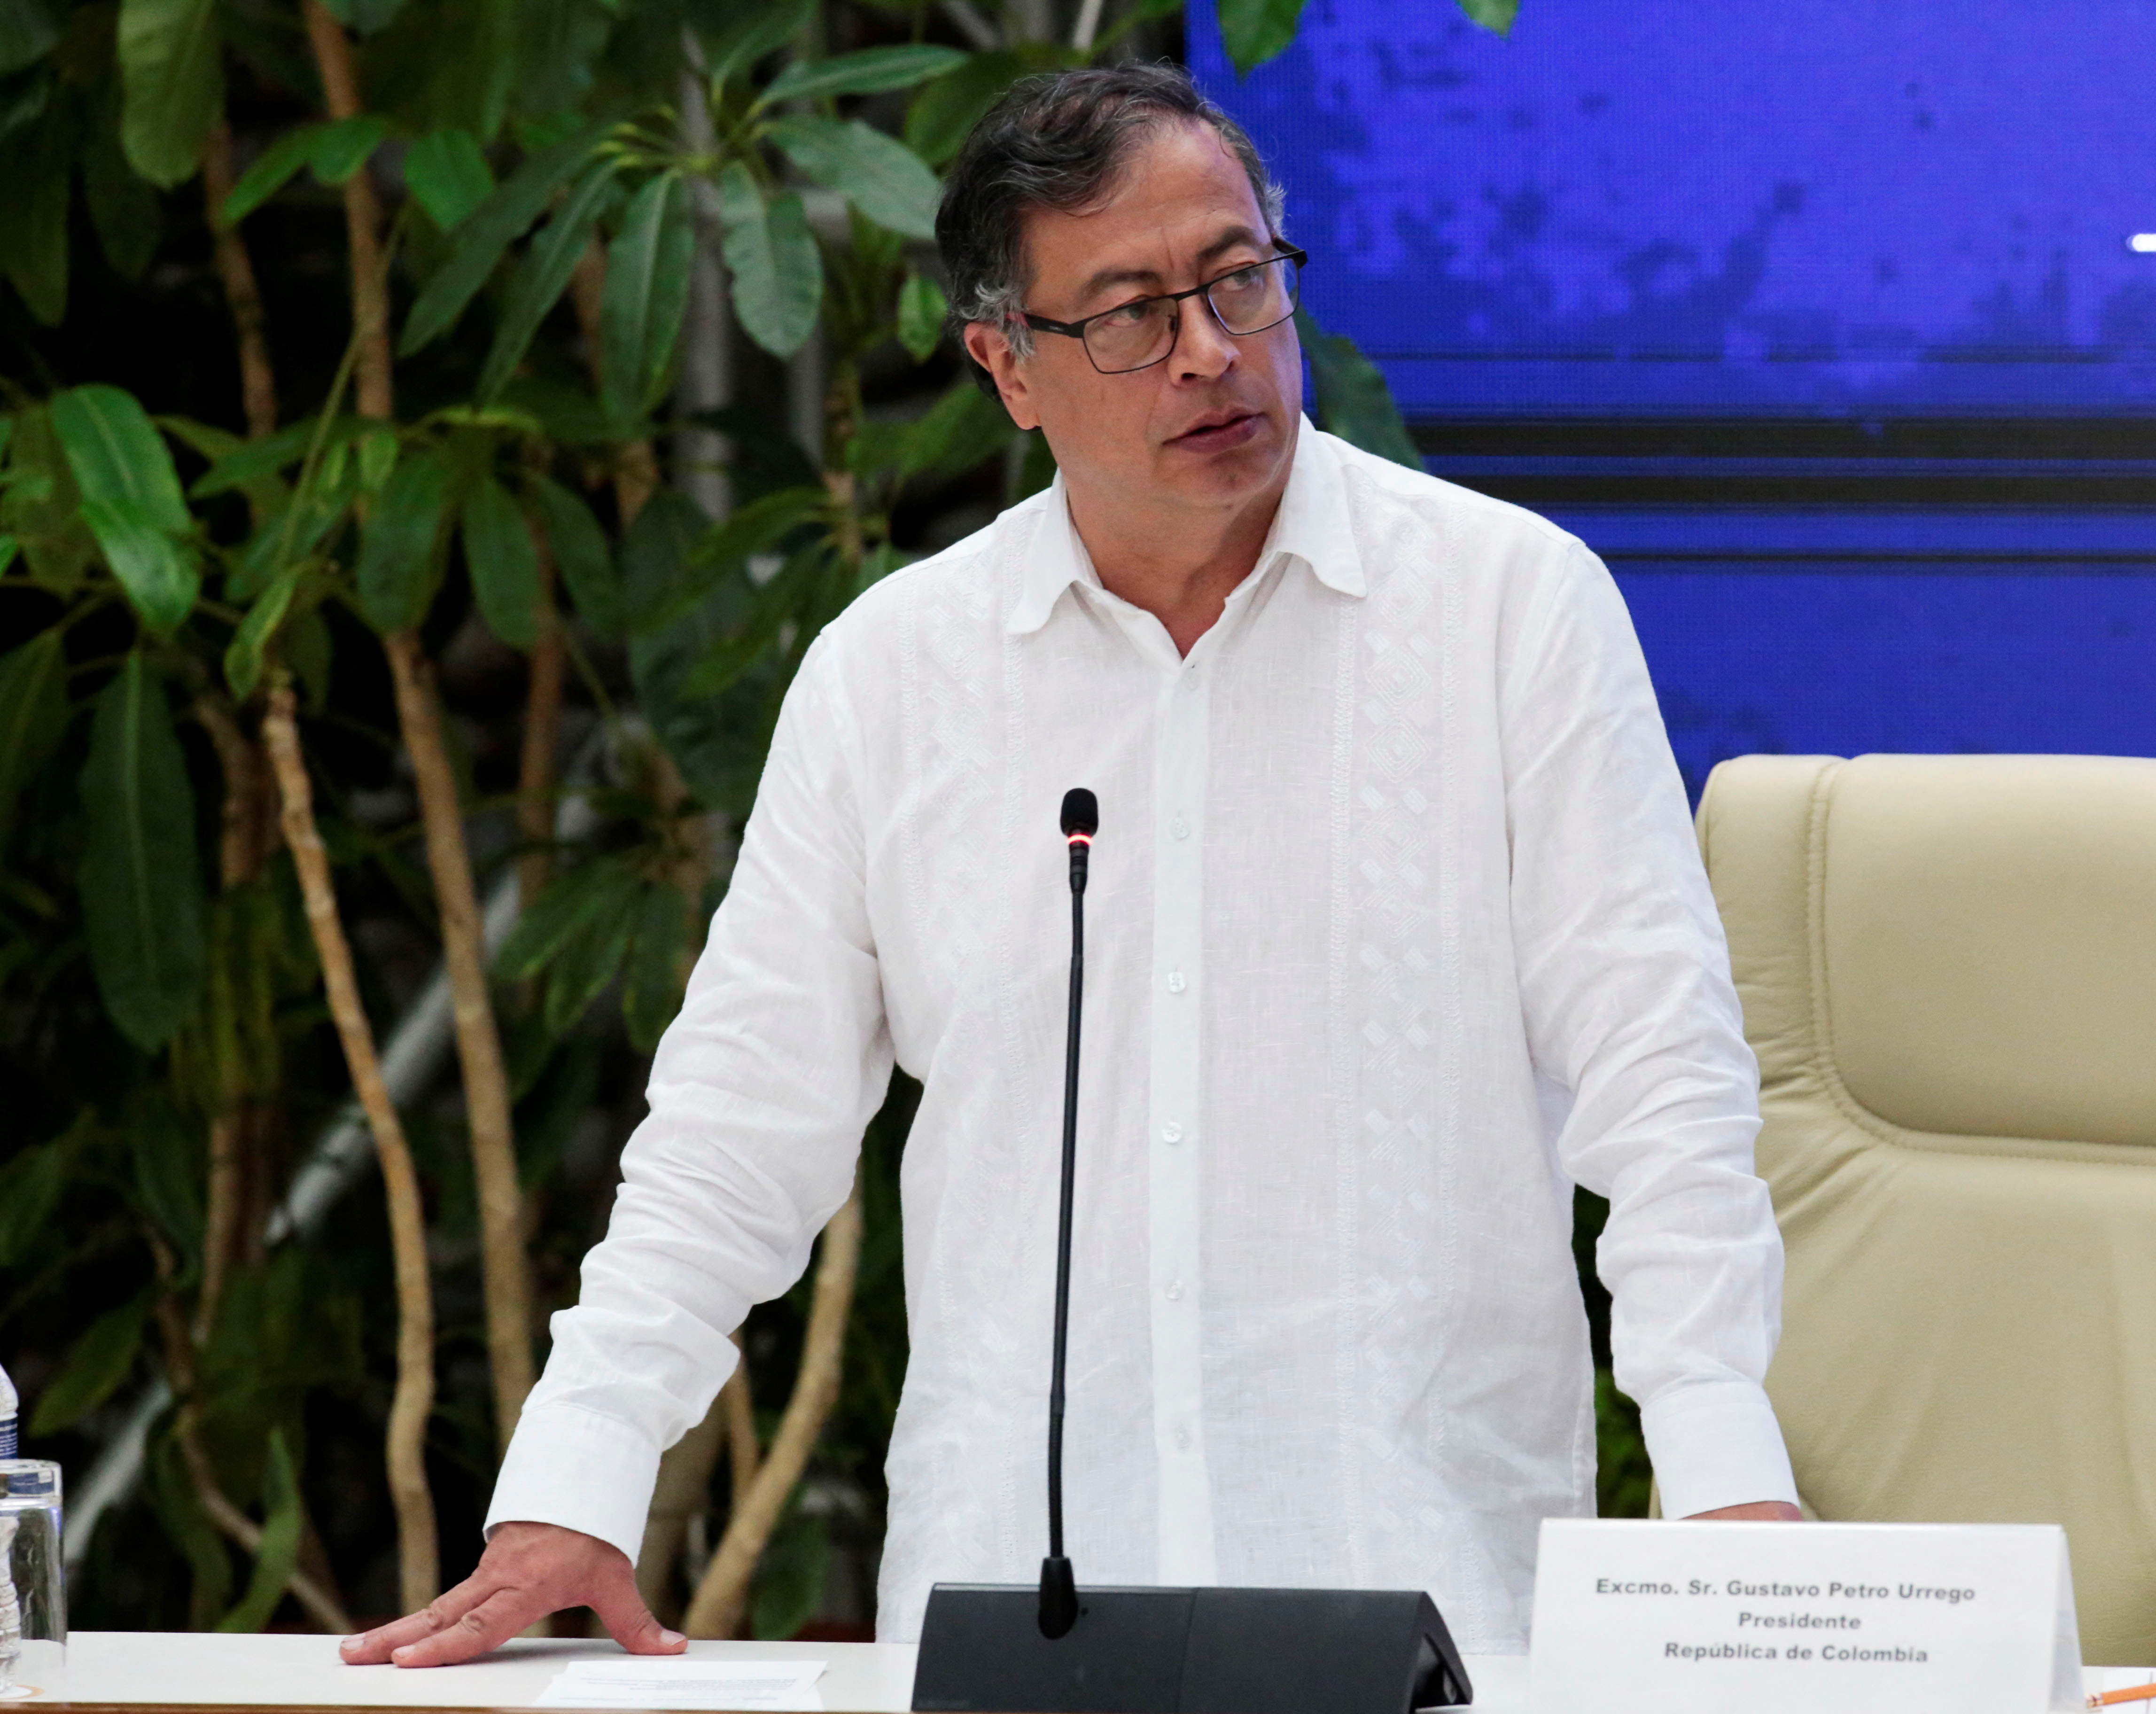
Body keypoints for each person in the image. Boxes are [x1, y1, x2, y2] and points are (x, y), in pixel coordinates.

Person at [343, 62, 1798, 1671]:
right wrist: (578, 1481)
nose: (1210, 350)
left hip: (1428, 1609)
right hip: (1012, 1628)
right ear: (1005, 369)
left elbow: (1662, 1084)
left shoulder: (1512, 612)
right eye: (1126, 313)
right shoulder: (894, 672)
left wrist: (1721, 1478)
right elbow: (733, 1136)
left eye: (1240, 279)